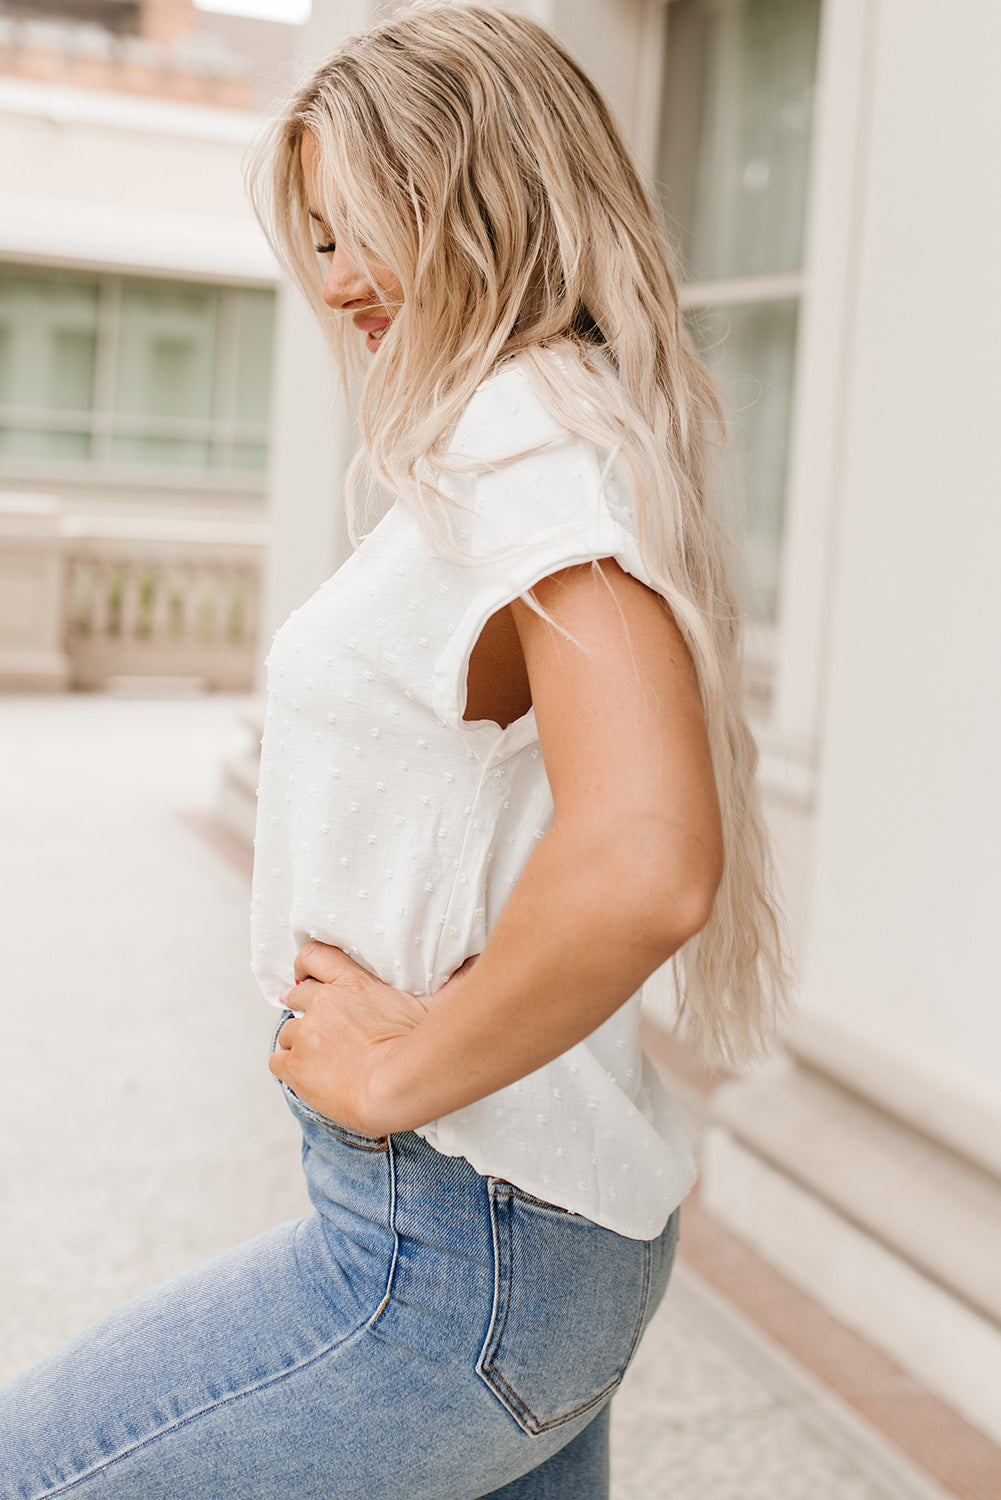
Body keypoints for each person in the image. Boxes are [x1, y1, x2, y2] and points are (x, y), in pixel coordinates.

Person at [0, 4, 786, 1496]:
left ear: (488, 199)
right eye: (316, 234)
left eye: (368, 222)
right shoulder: (545, 441)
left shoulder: (527, 450)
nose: (337, 275)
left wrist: (399, 1070)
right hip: (529, 1251)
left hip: (452, 1260)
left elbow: (642, 861)